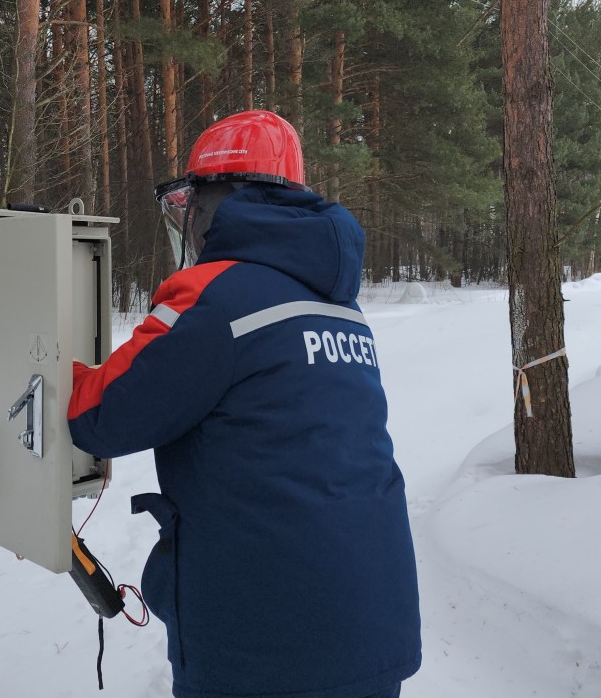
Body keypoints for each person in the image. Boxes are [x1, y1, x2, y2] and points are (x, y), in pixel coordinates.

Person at [68, 110, 421, 698]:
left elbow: (100, 416)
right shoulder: (338, 304)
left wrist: (43, 365)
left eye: (193, 204)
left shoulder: (214, 296)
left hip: (266, 647)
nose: (190, 223)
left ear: (221, 201)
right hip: (373, 626)